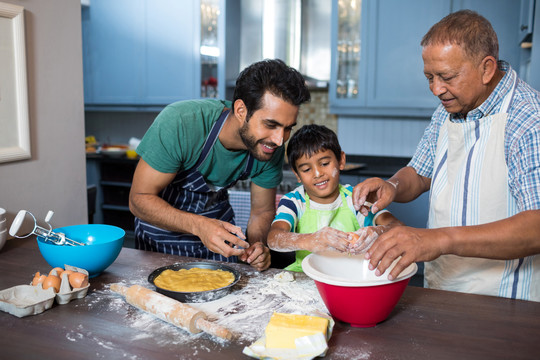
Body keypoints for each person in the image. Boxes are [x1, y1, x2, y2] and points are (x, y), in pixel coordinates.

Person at [351, 10, 540, 301]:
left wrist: (438, 239)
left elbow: (536, 226)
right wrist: (393, 186)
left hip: (505, 302)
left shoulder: (528, 118)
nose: (437, 89)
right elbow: (420, 172)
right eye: (430, 77)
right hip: (445, 288)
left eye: (447, 77)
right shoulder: (448, 109)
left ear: (486, 69)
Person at [129, 59, 311, 272]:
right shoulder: (181, 123)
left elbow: (262, 211)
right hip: (159, 244)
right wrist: (199, 225)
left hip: (221, 245)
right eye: (270, 125)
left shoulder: (270, 146)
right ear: (241, 110)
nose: (280, 140)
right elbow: (138, 200)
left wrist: (257, 246)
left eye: (287, 128)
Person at [267, 124, 403, 272]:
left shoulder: (355, 199)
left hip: (348, 277)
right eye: (306, 169)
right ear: (297, 174)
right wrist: (312, 240)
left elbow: (398, 228)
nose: (318, 173)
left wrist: (376, 232)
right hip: (304, 277)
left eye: (325, 163)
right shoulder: (294, 202)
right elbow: (274, 238)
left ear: (341, 161)